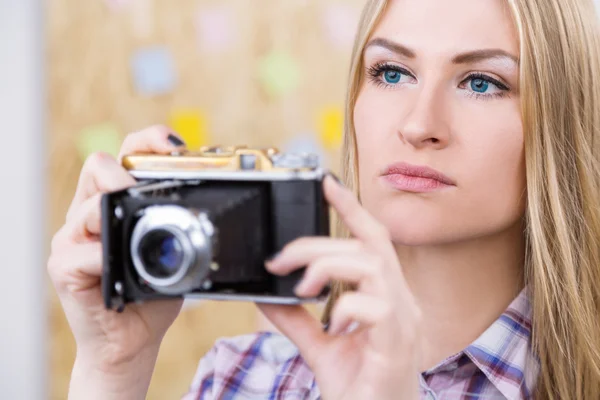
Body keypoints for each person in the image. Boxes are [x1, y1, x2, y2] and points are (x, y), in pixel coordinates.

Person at [48, 0, 600, 398]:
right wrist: (113, 372)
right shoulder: (242, 380)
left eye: (481, 83)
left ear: (562, 121)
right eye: (391, 72)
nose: (418, 125)